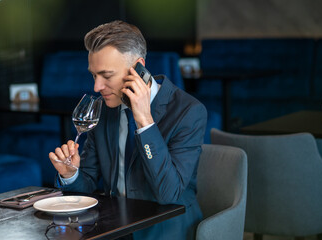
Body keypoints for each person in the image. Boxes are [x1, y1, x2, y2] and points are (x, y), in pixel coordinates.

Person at [48, 20, 207, 240]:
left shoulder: (189, 112)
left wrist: (145, 121)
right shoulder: (103, 111)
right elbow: (87, 186)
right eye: (94, 75)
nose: (96, 87)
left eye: (106, 75)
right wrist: (70, 174)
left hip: (167, 230)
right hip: (115, 229)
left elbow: (168, 194)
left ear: (138, 67)